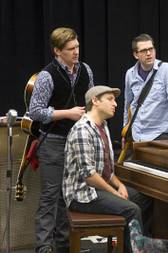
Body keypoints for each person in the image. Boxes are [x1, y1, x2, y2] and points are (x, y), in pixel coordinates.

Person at [63, 85, 152, 253]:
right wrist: (114, 192)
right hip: (82, 195)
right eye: (110, 99)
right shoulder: (83, 130)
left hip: (97, 190)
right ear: (95, 101)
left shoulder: (102, 126)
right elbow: (89, 175)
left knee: (144, 198)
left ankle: (131, 247)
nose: (115, 104)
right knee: (132, 209)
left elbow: (106, 169)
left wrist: (120, 185)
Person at [29, 27, 94, 253]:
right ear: (57, 51)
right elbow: (35, 111)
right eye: (70, 49)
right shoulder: (47, 75)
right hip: (54, 142)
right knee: (50, 196)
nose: (76, 52)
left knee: (68, 196)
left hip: (78, 143)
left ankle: (64, 246)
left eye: (77, 46)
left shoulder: (85, 70)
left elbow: (91, 101)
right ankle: (44, 247)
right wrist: (67, 113)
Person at [123, 33, 168, 142]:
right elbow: (128, 103)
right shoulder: (130, 74)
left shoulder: (166, 69)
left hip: (162, 133)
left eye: (151, 49)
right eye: (144, 51)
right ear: (136, 54)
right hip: (138, 134)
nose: (149, 53)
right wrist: (125, 130)